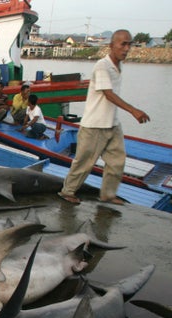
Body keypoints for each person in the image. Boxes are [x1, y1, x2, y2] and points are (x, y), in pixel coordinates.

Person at [58, 29, 150, 205]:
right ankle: (67, 191)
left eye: (129, 44)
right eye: (123, 44)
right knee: (84, 162)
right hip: (94, 125)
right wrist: (133, 110)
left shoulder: (118, 67)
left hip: (112, 124)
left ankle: (107, 194)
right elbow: (108, 94)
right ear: (111, 46)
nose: (127, 48)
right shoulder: (102, 66)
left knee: (117, 161)